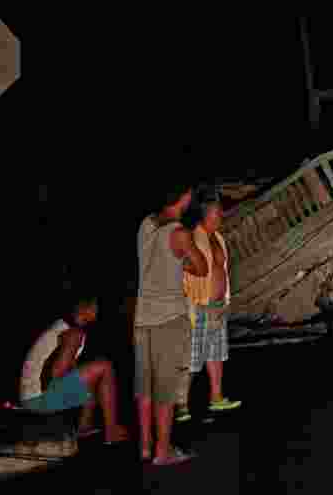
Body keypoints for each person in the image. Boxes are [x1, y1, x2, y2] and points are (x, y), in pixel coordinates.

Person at [135, 184, 209, 466]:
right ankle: (162, 451)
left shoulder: (146, 224)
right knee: (164, 389)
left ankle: (145, 446)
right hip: (168, 318)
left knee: (144, 386)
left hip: (142, 317)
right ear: (185, 198)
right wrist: (183, 265)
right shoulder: (180, 234)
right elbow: (201, 268)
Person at [19, 294, 129, 444]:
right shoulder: (74, 333)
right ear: (89, 308)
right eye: (97, 307)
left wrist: (82, 380)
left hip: (31, 397)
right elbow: (57, 373)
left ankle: (84, 427)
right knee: (104, 366)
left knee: (91, 372)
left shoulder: (63, 327)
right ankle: (111, 430)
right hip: (37, 399)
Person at [174, 186, 241, 423]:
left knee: (216, 354)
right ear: (205, 212)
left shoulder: (218, 238)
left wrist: (226, 298)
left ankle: (216, 397)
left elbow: (222, 270)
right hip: (198, 305)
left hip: (218, 304)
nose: (221, 215)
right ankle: (180, 404)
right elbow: (179, 265)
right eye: (217, 211)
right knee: (192, 358)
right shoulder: (193, 236)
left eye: (220, 211)